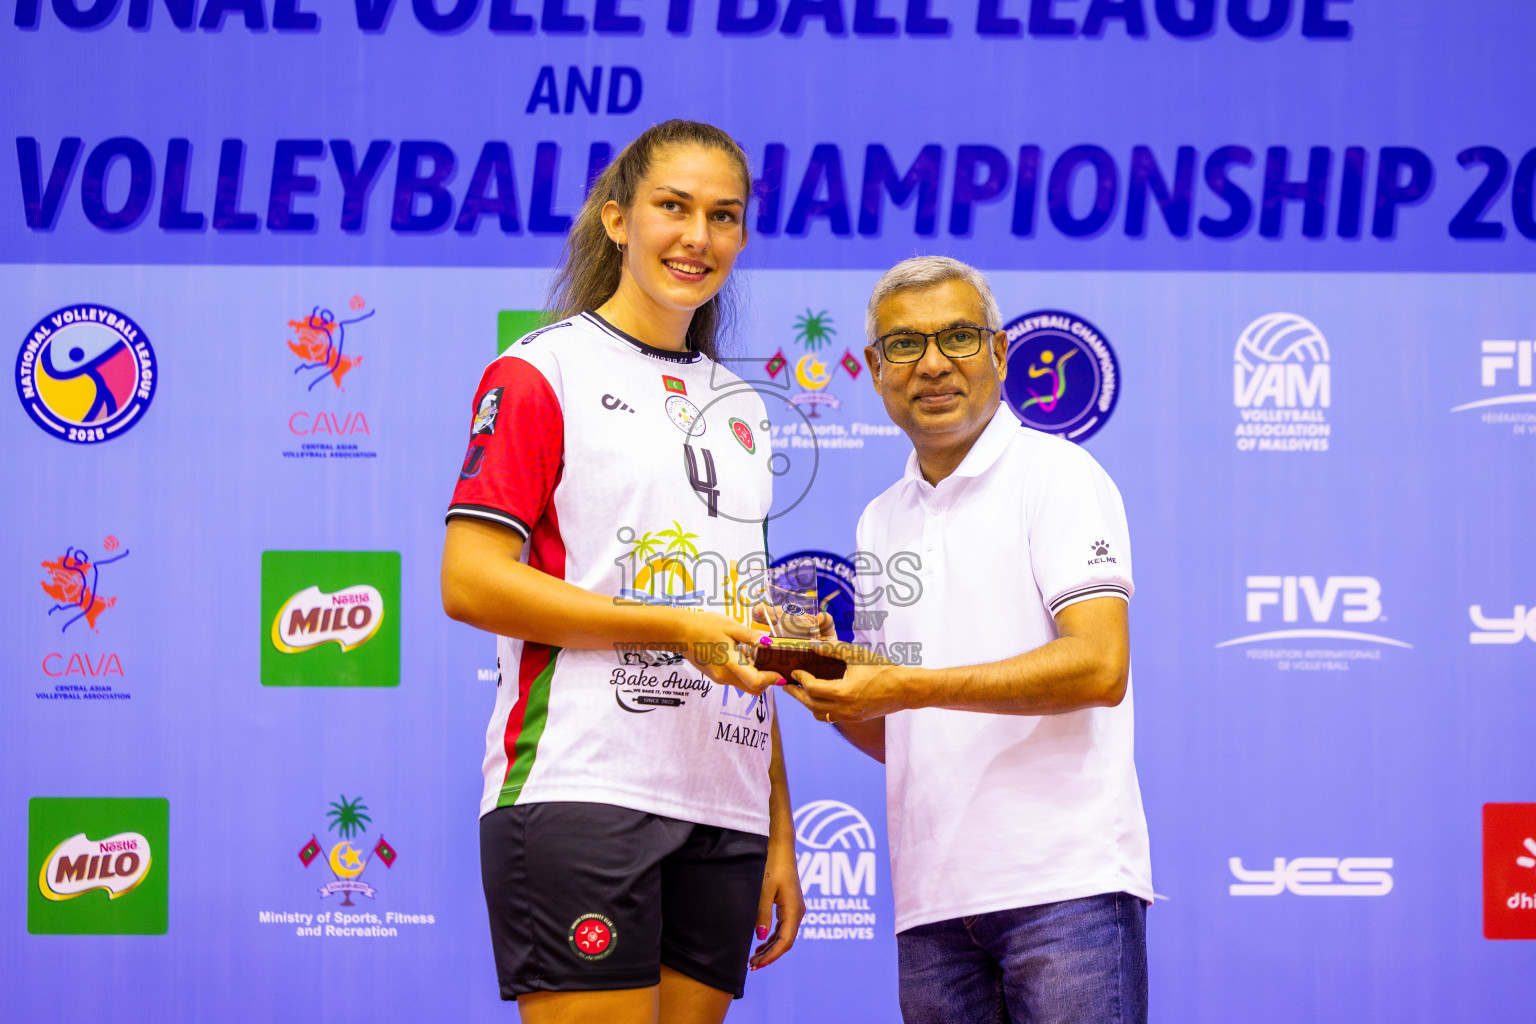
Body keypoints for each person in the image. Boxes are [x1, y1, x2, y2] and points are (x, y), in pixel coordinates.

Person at [439, 120, 804, 1024]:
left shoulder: (740, 405)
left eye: (723, 216)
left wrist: (778, 829)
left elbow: (741, 631)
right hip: (584, 785)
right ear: (615, 220)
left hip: (723, 800)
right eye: (671, 207)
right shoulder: (540, 371)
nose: (698, 237)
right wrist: (678, 625)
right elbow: (471, 581)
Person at [783, 256, 1152, 1024]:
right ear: (877, 371)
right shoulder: (880, 519)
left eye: (957, 336)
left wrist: (908, 685)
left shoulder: (1057, 475)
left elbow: (1098, 665)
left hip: (1065, 888)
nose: (935, 364)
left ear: (1000, 353)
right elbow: (899, 733)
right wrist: (828, 683)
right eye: (906, 346)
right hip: (932, 903)